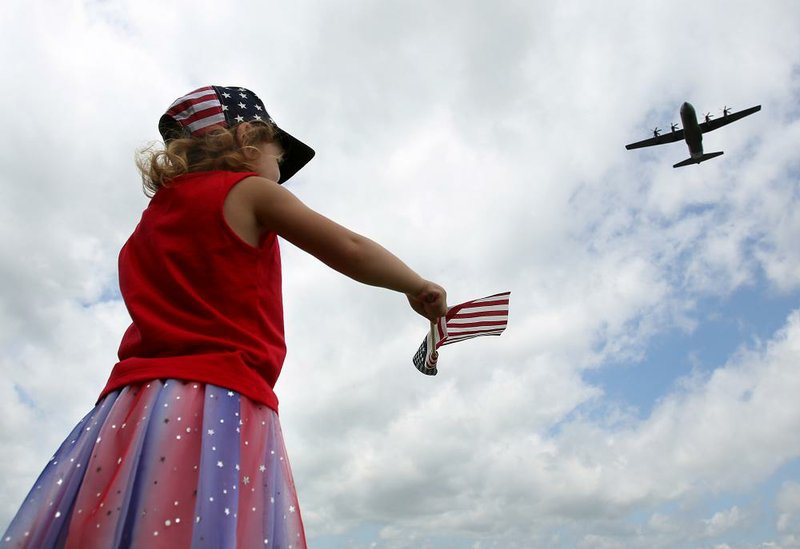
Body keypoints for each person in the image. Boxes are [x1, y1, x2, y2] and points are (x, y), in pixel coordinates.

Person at [2, 85, 447, 548]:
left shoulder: (147, 225)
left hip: (128, 408)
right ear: (248, 140)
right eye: (279, 160)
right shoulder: (252, 192)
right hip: (215, 401)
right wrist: (417, 286)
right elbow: (349, 248)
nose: (279, 175)